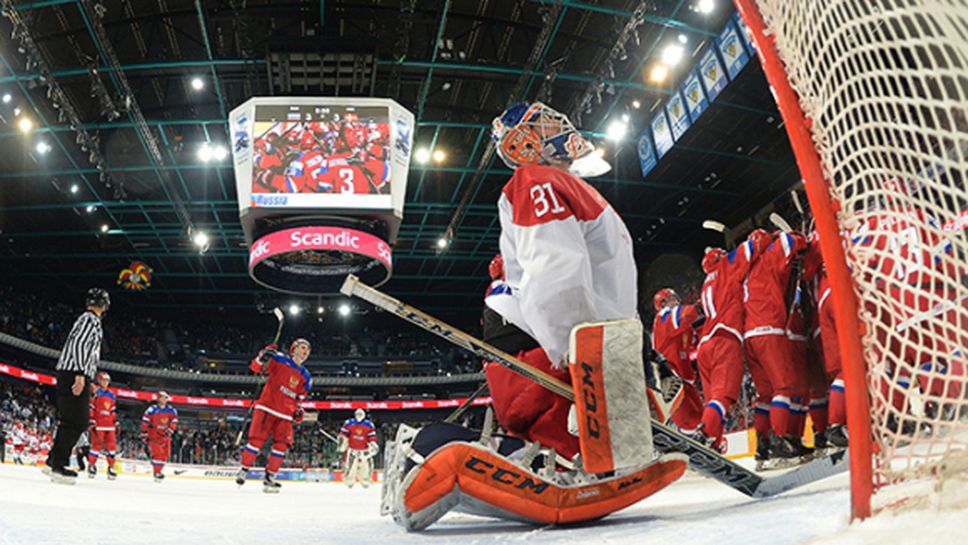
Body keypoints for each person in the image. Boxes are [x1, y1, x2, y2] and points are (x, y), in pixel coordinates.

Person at [379, 102, 688, 531]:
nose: (560, 125)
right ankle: (431, 447)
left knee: (566, 446)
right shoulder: (536, 179)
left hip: (547, 336)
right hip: (543, 340)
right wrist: (577, 352)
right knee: (561, 450)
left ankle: (460, 448)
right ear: (526, 143)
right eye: (544, 124)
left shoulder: (563, 184)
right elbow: (555, 267)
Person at [46, 287, 108, 484]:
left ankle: (52, 462)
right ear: (105, 305)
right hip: (74, 373)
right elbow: (80, 346)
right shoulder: (91, 320)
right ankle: (58, 466)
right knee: (78, 422)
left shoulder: (84, 319)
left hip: (71, 372)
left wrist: (87, 377)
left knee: (69, 421)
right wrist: (81, 375)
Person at [235, 338, 312, 494]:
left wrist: (298, 411)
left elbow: (299, 398)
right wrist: (262, 356)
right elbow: (256, 368)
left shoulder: (306, 376)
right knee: (256, 440)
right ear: (294, 348)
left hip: (285, 415)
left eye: (308, 350)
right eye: (303, 347)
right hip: (266, 407)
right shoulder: (278, 358)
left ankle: (270, 477)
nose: (305, 352)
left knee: (281, 446)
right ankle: (244, 469)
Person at [651, 289, 703, 435]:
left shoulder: (684, 327)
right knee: (689, 420)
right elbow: (683, 315)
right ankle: (678, 437)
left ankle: (693, 440)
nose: (676, 301)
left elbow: (693, 348)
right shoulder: (663, 316)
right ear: (662, 304)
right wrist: (699, 307)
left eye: (676, 298)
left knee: (700, 416)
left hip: (684, 378)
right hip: (671, 378)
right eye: (671, 298)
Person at [87, 371, 118, 479]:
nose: (105, 382)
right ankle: (91, 465)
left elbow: (113, 410)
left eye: (107, 380)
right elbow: (91, 408)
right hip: (98, 424)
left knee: (112, 447)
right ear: (99, 381)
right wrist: (92, 420)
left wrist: (115, 421)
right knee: (96, 446)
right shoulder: (95, 393)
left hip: (109, 425)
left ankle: (111, 467)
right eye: (103, 380)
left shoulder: (112, 395)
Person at [141, 391, 178, 482]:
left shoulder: (171, 410)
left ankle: (157, 470)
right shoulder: (151, 410)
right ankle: (157, 473)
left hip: (165, 436)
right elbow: (145, 422)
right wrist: (144, 434)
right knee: (158, 454)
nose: (164, 399)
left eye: (165, 397)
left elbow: (174, 421)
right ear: (158, 398)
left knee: (165, 455)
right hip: (154, 435)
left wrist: (170, 431)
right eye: (162, 397)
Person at [338, 408, 378, 488]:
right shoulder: (349, 423)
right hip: (352, 449)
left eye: (361, 414)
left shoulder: (369, 425)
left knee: (366, 467)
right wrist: (342, 444)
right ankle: (349, 481)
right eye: (358, 414)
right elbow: (344, 436)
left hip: (365, 451)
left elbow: (372, 438)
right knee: (350, 467)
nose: (359, 416)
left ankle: (365, 480)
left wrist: (373, 446)